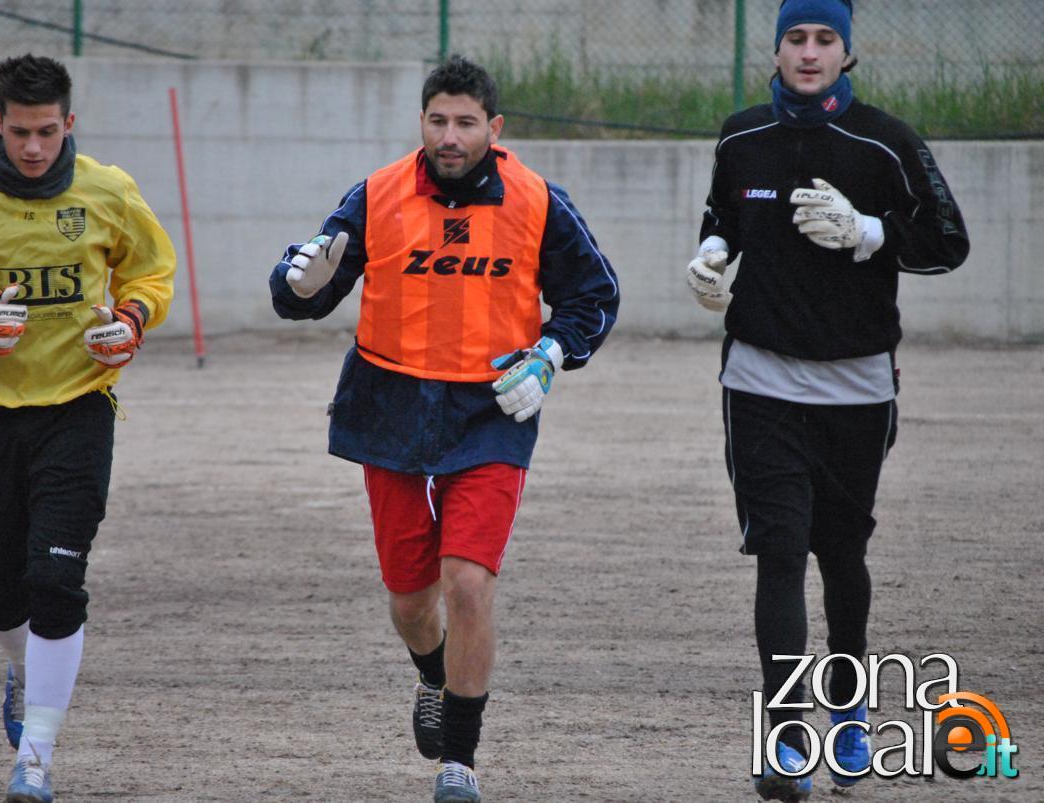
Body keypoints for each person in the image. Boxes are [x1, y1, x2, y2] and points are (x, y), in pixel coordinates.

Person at [269, 55, 618, 803]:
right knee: (409, 598)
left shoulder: (536, 200)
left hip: (491, 412)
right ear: (420, 122)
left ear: (494, 128)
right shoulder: (378, 194)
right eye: (438, 121)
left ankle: (459, 762)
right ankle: (433, 675)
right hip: (388, 407)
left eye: (466, 123)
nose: (450, 137)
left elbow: (597, 294)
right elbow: (312, 283)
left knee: (467, 583)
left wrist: (552, 355)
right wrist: (294, 283)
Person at [686, 0, 968, 799]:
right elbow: (724, 216)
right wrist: (711, 254)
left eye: (824, 38)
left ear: (847, 51)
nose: (809, 53)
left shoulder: (888, 141)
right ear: (775, 51)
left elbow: (949, 241)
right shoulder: (740, 135)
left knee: (840, 555)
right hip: (759, 380)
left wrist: (870, 232)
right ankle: (784, 742)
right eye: (795, 39)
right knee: (778, 550)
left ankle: (848, 711)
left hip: (857, 384)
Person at [0, 54, 175, 802]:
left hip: (80, 407)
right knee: (0, 594)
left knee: (57, 578)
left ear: (69, 125)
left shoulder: (110, 190)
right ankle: (22, 672)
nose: (32, 147)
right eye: (19, 131)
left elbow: (153, 274)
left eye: (47, 132)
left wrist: (131, 320)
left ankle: (36, 761)